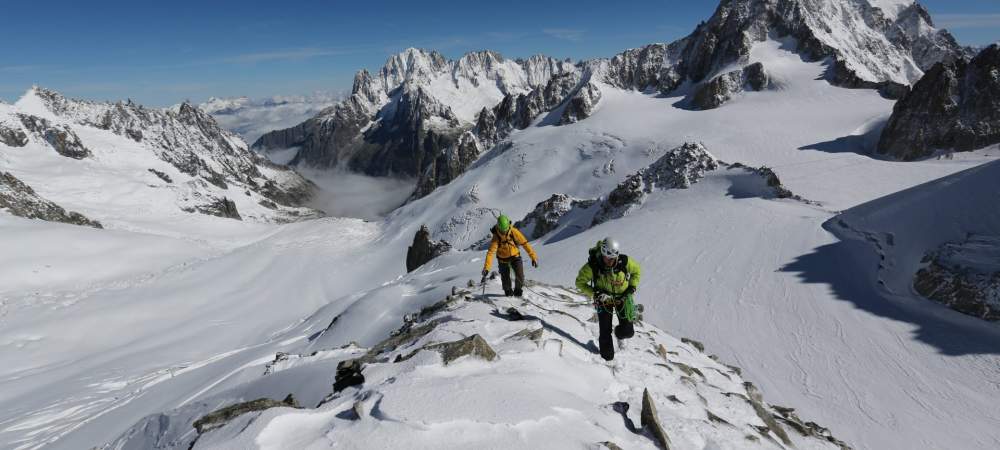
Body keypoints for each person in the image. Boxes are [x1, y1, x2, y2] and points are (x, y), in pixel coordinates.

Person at [575, 237, 641, 361]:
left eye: (613, 258)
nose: (610, 261)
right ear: (603, 254)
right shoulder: (593, 265)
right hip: (604, 300)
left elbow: (637, 271)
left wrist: (631, 287)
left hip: (623, 298)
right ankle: (607, 360)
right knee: (605, 331)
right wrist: (595, 293)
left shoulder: (624, 261)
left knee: (628, 332)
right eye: (607, 258)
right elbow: (579, 282)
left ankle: (618, 333)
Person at [482, 214, 538, 297]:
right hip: (502, 259)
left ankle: (518, 290)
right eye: (503, 230)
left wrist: (533, 257)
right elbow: (490, 253)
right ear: (498, 228)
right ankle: (508, 292)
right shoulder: (496, 237)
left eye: (506, 229)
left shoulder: (513, 231)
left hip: (515, 256)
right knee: (505, 280)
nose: (505, 232)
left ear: (508, 225)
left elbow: (525, 243)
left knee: (520, 276)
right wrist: (486, 268)